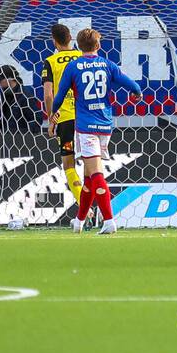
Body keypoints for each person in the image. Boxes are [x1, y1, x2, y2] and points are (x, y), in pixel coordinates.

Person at [50, 28, 143, 235]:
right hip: (105, 125)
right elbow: (133, 86)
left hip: (85, 127)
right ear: (98, 46)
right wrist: (137, 94)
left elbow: (59, 96)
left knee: (97, 174)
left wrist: (53, 115)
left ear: (78, 45)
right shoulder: (108, 65)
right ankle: (79, 220)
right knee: (90, 177)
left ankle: (109, 220)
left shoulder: (73, 67)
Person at [41, 23, 83, 212]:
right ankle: (99, 210)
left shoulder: (50, 61)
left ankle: (85, 206)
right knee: (92, 164)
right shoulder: (82, 56)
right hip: (86, 118)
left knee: (68, 164)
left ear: (54, 41)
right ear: (71, 38)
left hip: (65, 120)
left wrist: (52, 119)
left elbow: (48, 95)